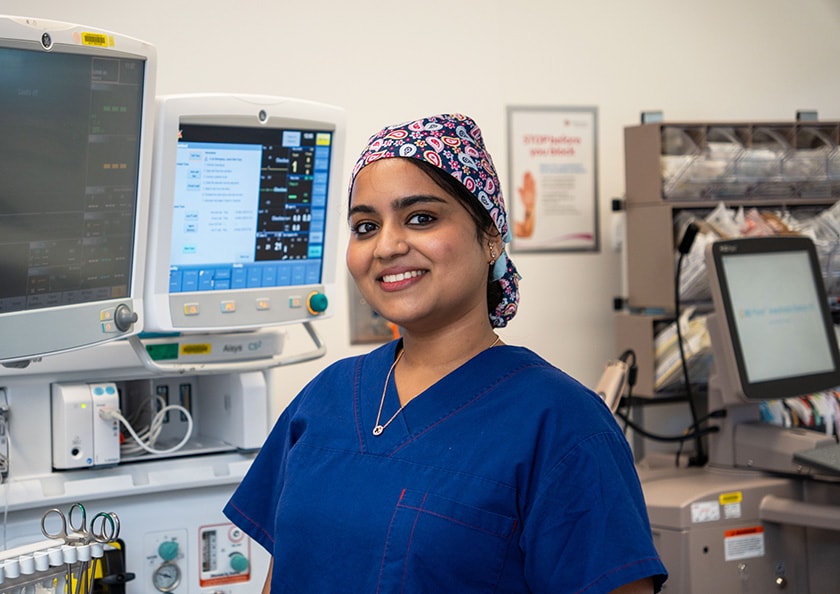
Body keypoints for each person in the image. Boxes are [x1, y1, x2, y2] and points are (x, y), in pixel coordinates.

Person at [223, 113, 667, 593]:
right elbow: (281, 577)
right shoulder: (325, 398)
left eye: (421, 218)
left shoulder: (563, 423)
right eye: (365, 226)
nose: (387, 246)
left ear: (491, 235)